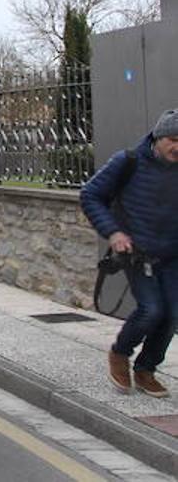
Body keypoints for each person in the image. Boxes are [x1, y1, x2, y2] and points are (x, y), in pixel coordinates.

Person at [82, 108, 178, 399]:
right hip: (138, 253)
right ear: (158, 138)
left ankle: (146, 369)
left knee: (172, 315)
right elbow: (90, 195)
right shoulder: (128, 161)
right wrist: (113, 233)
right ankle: (120, 353)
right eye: (173, 139)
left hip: (173, 254)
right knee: (152, 310)